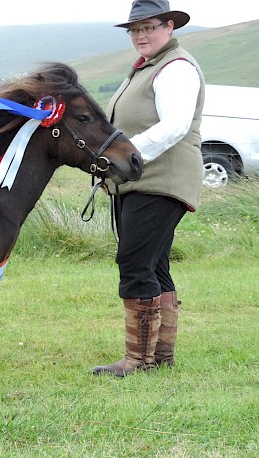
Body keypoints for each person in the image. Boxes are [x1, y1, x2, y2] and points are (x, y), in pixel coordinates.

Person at [93, 0, 205, 377]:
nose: (141, 35)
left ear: (169, 27)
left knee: (134, 262)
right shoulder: (147, 68)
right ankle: (160, 356)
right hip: (141, 181)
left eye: (149, 27)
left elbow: (175, 125)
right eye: (134, 30)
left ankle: (138, 360)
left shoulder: (176, 68)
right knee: (154, 264)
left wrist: (127, 157)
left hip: (161, 180)